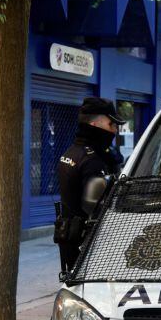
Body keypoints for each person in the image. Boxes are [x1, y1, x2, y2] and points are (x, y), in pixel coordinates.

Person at [55, 97, 125, 272]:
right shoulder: (91, 160)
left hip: (70, 237)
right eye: (111, 124)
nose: (115, 130)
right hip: (89, 244)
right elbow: (100, 207)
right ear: (94, 124)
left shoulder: (72, 152)